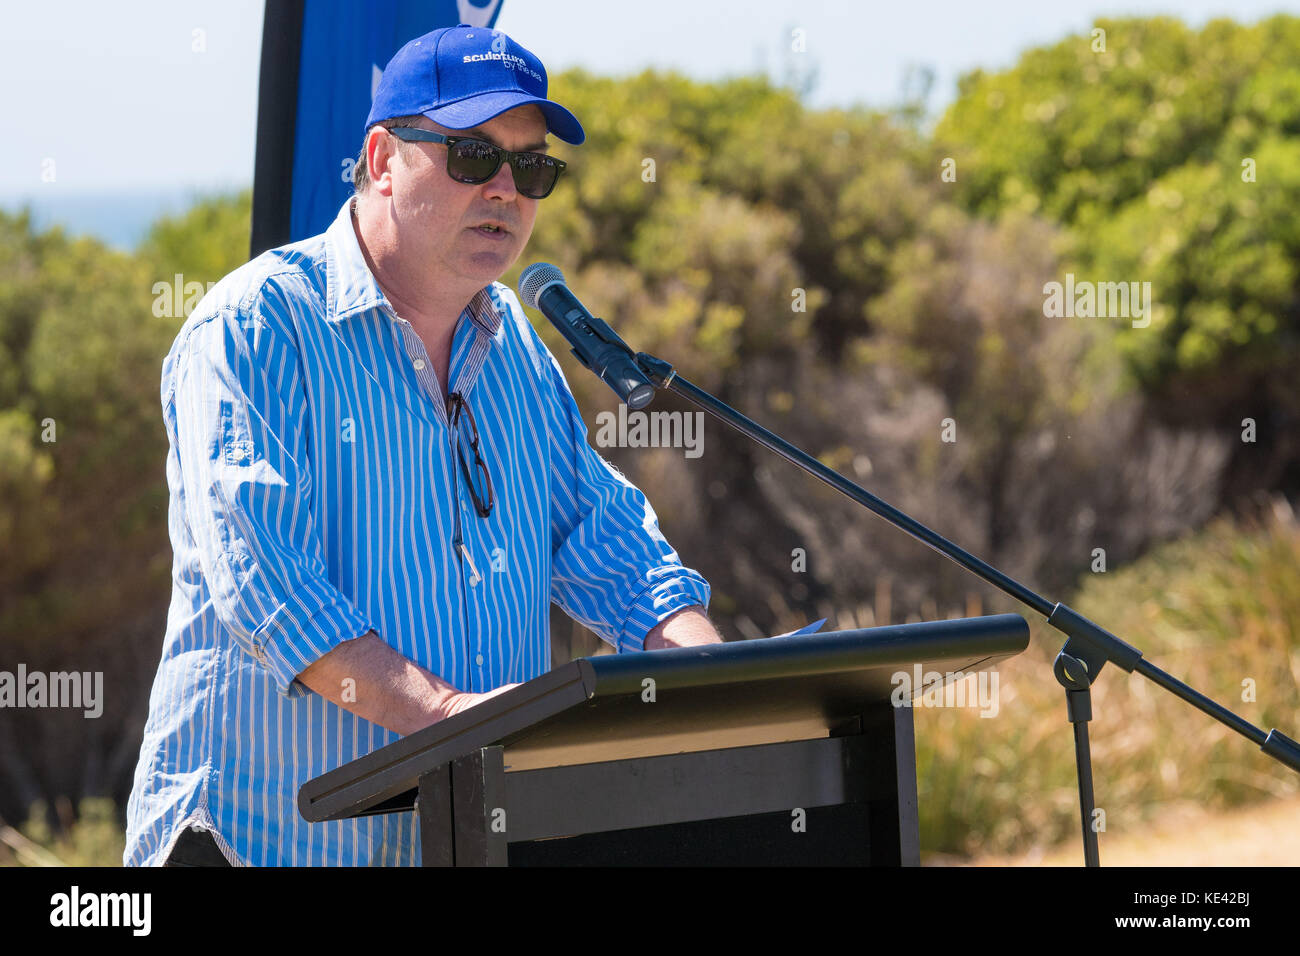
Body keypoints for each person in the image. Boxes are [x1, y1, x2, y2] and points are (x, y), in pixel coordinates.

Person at [125, 24, 720, 867]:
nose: (508, 190)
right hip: (267, 845)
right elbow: (267, 586)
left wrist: (713, 685)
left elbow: (613, 549)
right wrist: (452, 720)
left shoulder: (513, 343)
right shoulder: (255, 327)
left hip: (460, 841)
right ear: (379, 158)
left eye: (533, 167)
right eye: (474, 157)